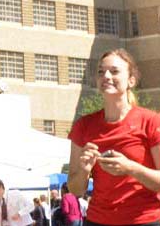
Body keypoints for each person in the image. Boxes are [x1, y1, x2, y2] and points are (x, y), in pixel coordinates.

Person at [68, 49, 160, 226]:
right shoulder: (83, 126)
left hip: (144, 220)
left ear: (131, 81)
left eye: (114, 71)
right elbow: (75, 190)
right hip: (98, 221)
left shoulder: (151, 121)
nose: (106, 76)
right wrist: (84, 170)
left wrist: (130, 168)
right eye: (101, 72)